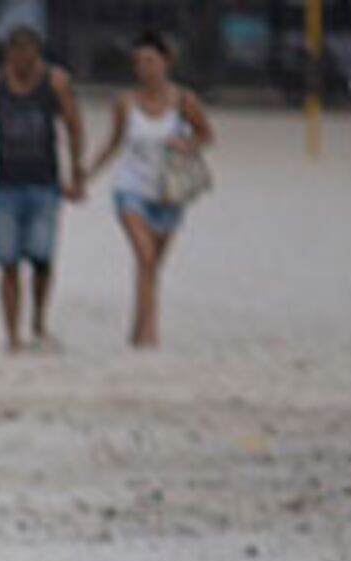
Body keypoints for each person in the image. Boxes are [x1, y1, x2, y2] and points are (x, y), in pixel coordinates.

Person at [0, 26, 89, 352]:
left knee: (42, 257)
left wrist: (77, 173)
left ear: (37, 56)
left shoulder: (55, 82)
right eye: (15, 58)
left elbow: (73, 125)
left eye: (27, 57)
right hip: (5, 184)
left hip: (45, 183)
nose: (21, 64)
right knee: (8, 261)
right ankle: (12, 333)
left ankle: (39, 321)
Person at [92, 30, 214, 348]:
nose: (144, 69)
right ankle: (150, 335)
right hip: (131, 188)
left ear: (166, 62)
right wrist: (87, 174)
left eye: (150, 61)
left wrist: (187, 143)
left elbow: (206, 134)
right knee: (145, 257)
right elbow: (114, 143)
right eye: (138, 62)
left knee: (152, 266)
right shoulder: (125, 103)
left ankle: (138, 327)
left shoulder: (184, 101)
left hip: (169, 192)